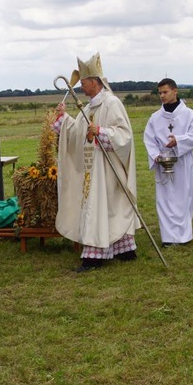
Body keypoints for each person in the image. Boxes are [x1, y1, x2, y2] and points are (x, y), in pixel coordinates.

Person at [52, 53, 139, 273]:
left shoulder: (111, 103)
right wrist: (63, 120)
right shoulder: (90, 107)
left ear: (94, 81)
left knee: (106, 207)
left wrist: (101, 131)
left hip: (108, 168)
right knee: (101, 208)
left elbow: (125, 136)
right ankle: (120, 250)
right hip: (93, 168)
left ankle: (98, 256)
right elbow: (78, 131)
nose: (81, 86)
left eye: (83, 82)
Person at [143, 78, 193, 247]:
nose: (162, 96)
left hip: (183, 162)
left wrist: (179, 140)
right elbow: (149, 139)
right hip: (164, 163)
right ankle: (168, 237)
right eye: (160, 93)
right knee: (165, 199)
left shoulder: (189, 114)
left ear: (175, 91)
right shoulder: (155, 118)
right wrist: (156, 155)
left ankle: (183, 236)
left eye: (165, 92)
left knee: (183, 197)